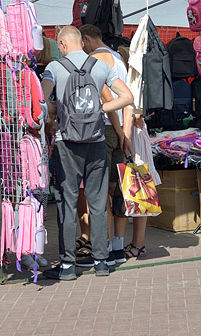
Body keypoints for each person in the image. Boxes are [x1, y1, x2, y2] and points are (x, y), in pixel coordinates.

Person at [40, 26, 133, 280]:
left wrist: (57, 109)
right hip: (95, 142)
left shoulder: (55, 68)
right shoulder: (101, 66)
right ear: (82, 41)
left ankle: (68, 266)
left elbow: (40, 99)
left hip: (66, 144)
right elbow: (127, 97)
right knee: (98, 202)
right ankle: (102, 263)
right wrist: (101, 108)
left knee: (67, 203)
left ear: (61, 44)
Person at [80, 25, 135, 264]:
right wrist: (126, 134)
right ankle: (118, 248)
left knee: (100, 193)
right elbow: (129, 101)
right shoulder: (118, 59)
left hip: (105, 129)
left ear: (85, 39)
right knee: (118, 191)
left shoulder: (95, 60)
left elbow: (107, 98)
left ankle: (105, 250)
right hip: (120, 130)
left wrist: (119, 133)